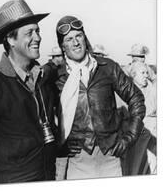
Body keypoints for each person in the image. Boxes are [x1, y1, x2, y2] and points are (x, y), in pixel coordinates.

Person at [0, 0, 57, 184]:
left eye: (38, 31)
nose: (37, 37)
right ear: (10, 39)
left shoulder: (42, 79)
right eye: (29, 32)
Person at [55, 16, 146, 179]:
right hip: (78, 161)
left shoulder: (107, 67)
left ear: (85, 38)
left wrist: (129, 138)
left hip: (110, 157)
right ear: (62, 45)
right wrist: (60, 145)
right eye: (69, 39)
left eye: (79, 36)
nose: (75, 43)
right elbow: (42, 115)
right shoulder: (57, 76)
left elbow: (136, 99)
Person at [129, 62, 157, 174]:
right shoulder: (127, 90)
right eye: (143, 73)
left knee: (152, 164)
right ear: (134, 75)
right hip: (134, 134)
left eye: (147, 72)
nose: (146, 75)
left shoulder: (153, 90)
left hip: (152, 133)